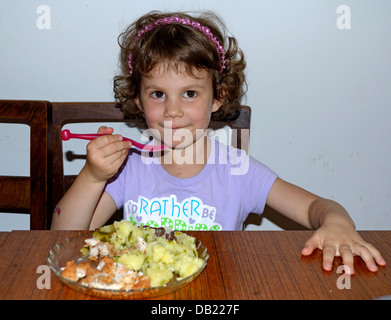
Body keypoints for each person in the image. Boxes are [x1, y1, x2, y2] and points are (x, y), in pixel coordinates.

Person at [51, 10, 386, 274]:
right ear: (138, 101)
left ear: (217, 98)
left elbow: (317, 208)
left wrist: (338, 224)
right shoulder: (128, 168)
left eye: (190, 93)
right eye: (157, 94)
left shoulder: (237, 171)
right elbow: (62, 239)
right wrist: (93, 176)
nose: (172, 110)